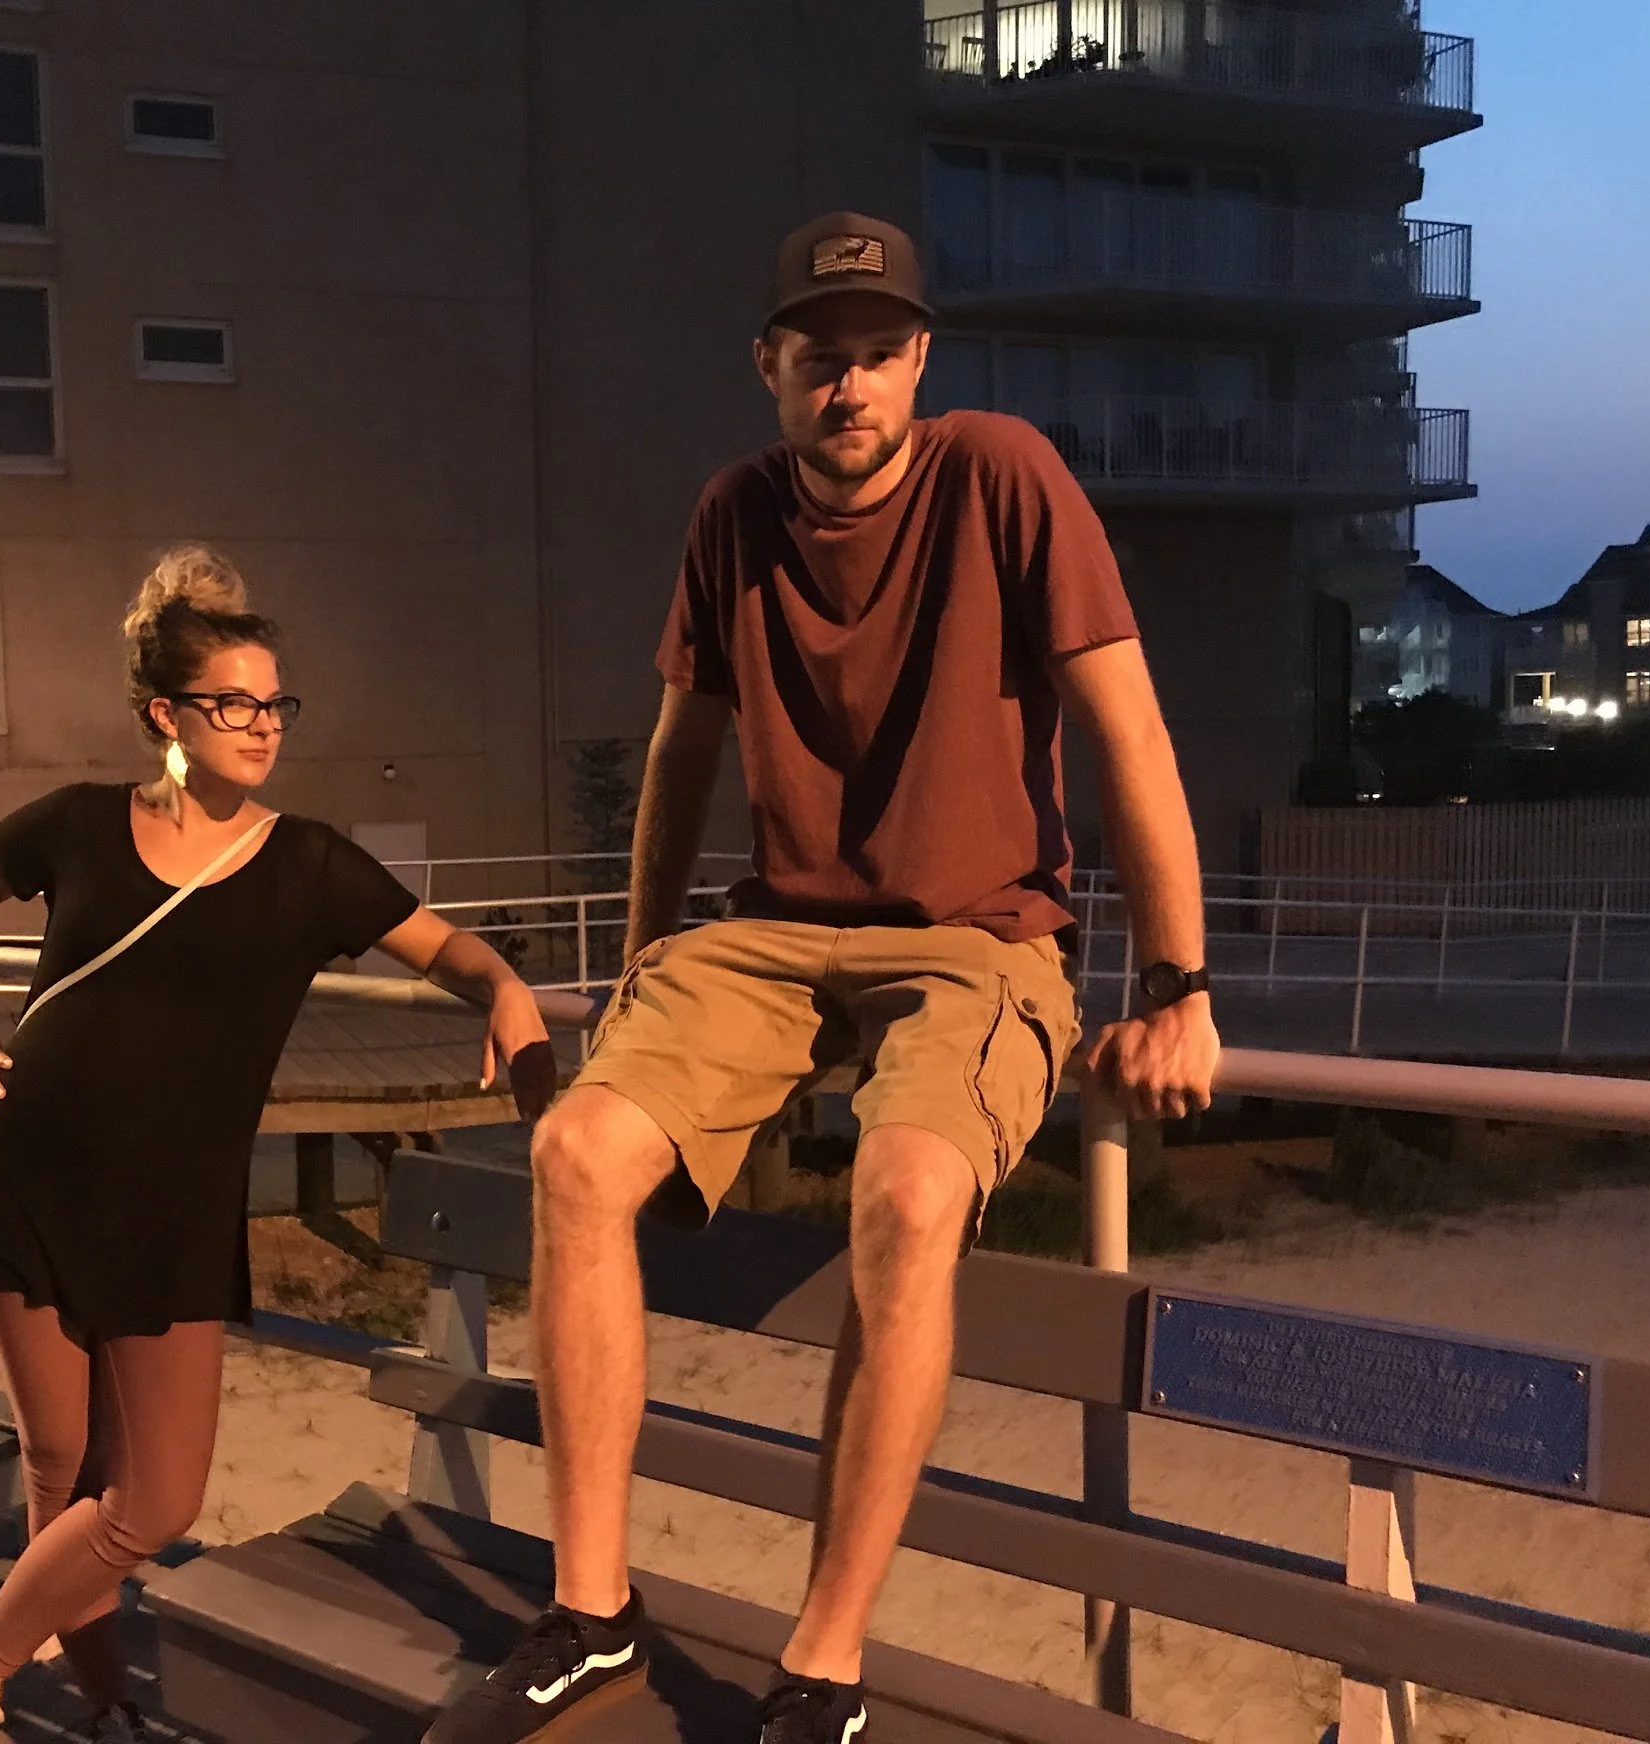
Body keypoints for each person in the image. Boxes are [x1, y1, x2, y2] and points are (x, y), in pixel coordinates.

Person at [424, 213, 1221, 1744]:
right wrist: (642, 956)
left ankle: (823, 1668)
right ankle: (591, 1614)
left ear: (917, 359)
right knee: (575, 1150)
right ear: (767, 366)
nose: (845, 387)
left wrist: (1175, 983)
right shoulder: (734, 513)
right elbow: (681, 754)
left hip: (978, 933)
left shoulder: (1000, 475)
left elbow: (1128, 733)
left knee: (905, 1197)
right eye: (816, 358)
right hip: (774, 931)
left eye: (873, 355)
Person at [0, 545, 554, 1744]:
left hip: (171, 1219)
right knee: (62, 1468)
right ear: (167, 715)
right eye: (234, 704)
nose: (263, 726)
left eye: (274, 704)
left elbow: (444, 947)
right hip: (26, 1172)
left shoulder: (309, 865)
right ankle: (101, 1703)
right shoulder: (79, 824)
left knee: (152, 1499)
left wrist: (504, 988)